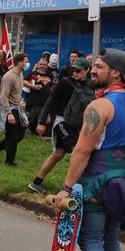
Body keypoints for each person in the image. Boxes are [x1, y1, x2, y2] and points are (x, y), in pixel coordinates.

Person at [52, 48, 125, 251]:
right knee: (110, 237)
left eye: (99, 67)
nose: (93, 70)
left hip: (97, 182)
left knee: (90, 240)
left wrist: (66, 188)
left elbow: (83, 150)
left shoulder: (100, 106)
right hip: (124, 183)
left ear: (116, 73)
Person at [29, 58, 93, 194]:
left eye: (78, 70)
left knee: (58, 154)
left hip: (77, 125)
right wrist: (41, 122)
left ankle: (36, 183)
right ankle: (72, 189)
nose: (75, 73)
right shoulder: (65, 82)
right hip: (62, 122)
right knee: (78, 152)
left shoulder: (91, 84)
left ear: (87, 70)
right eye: (73, 70)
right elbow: (50, 100)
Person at [0, 53, 28, 166]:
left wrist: (21, 101)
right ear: (20, 62)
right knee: (12, 137)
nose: (27, 63)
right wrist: (9, 113)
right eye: (26, 61)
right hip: (8, 109)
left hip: (17, 108)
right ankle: (9, 161)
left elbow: (17, 93)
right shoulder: (9, 77)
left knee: (20, 135)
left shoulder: (20, 75)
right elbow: (3, 96)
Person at [24, 59, 55, 134]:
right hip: (34, 101)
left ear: (47, 66)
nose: (42, 66)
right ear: (37, 65)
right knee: (30, 118)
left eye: (44, 65)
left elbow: (52, 86)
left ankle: (39, 134)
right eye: (41, 64)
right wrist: (33, 86)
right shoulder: (33, 74)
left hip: (45, 102)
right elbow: (24, 81)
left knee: (43, 120)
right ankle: (24, 132)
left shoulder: (50, 75)